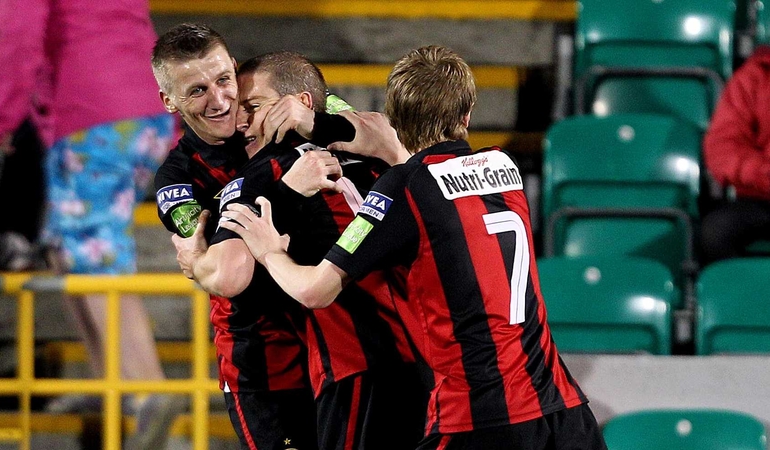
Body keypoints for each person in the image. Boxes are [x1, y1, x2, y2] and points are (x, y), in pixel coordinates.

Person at [220, 46, 608, 450]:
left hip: (478, 419)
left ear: (396, 116)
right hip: (565, 410)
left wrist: (269, 252)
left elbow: (315, 290)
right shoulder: (503, 165)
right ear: (467, 114)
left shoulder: (404, 188)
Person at [178, 50, 426, 450]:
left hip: (354, 364)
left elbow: (228, 274)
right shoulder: (373, 149)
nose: (241, 121)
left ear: (299, 103)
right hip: (427, 356)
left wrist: (197, 259)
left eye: (254, 107)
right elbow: (392, 138)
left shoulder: (265, 169)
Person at [0, 0, 181, 448]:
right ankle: (108, 381)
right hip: (145, 111)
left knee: (93, 255)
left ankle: (148, 390)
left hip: (93, 114)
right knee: (63, 248)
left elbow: (19, 35)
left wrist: (2, 116)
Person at [151, 24, 350, 450]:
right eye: (197, 91)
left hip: (339, 341)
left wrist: (314, 119)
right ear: (169, 101)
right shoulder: (178, 179)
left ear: (234, 68)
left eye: (224, 80)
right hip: (265, 364)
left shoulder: (283, 107)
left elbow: (380, 131)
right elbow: (218, 268)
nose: (221, 101)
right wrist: (199, 265)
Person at [700, 44, 770, 263]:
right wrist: (763, 173)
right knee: (715, 233)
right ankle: (742, 285)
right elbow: (722, 147)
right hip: (761, 197)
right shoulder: (755, 76)